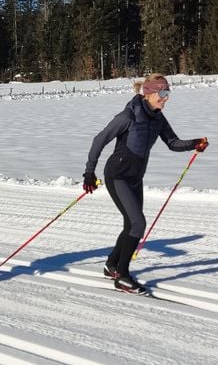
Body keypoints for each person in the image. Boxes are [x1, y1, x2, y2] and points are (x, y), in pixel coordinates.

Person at [83, 74, 208, 295]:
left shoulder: (158, 118)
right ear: (149, 93)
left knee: (131, 225)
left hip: (135, 177)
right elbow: (99, 140)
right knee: (138, 224)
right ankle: (122, 276)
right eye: (163, 94)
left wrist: (193, 143)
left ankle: (111, 265)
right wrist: (89, 173)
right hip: (117, 175)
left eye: (168, 94)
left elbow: (172, 142)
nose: (166, 99)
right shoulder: (128, 116)